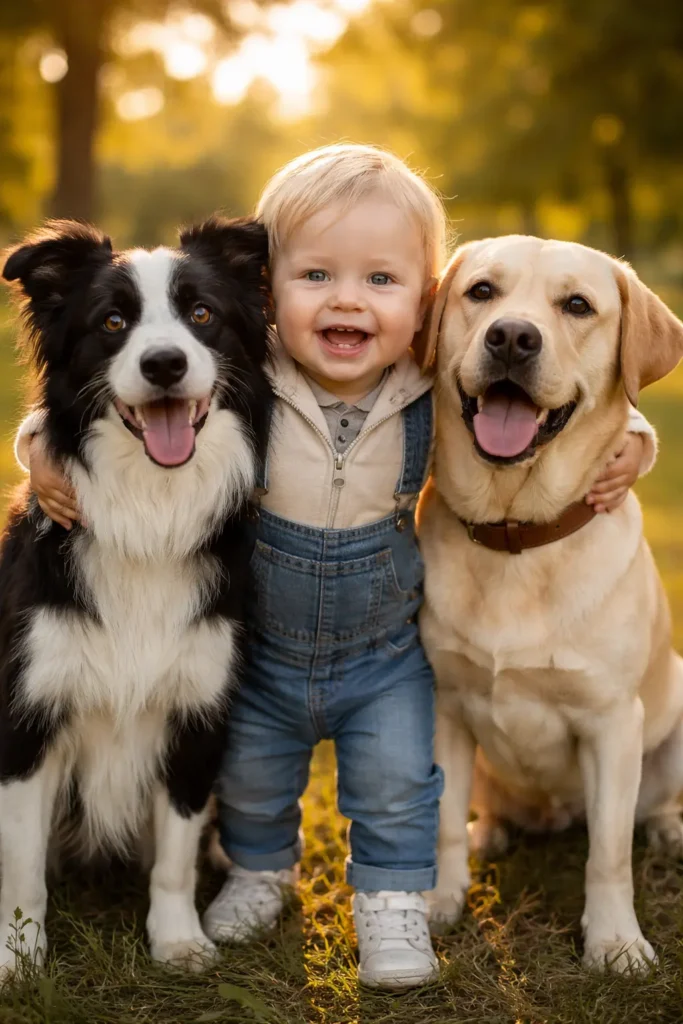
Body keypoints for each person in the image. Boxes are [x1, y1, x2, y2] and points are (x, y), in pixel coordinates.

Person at [18, 143, 657, 990]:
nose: (348, 299)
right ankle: (256, 872)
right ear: (267, 298)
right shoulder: (251, 379)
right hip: (268, 656)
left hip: (380, 661)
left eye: (382, 282)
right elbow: (102, 399)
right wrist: (39, 453)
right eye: (314, 275)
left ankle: (393, 900)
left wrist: (636, 442)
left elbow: (554, 404)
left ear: (425, 310)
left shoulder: (431, 386)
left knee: (398, 781)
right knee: (248, 781)